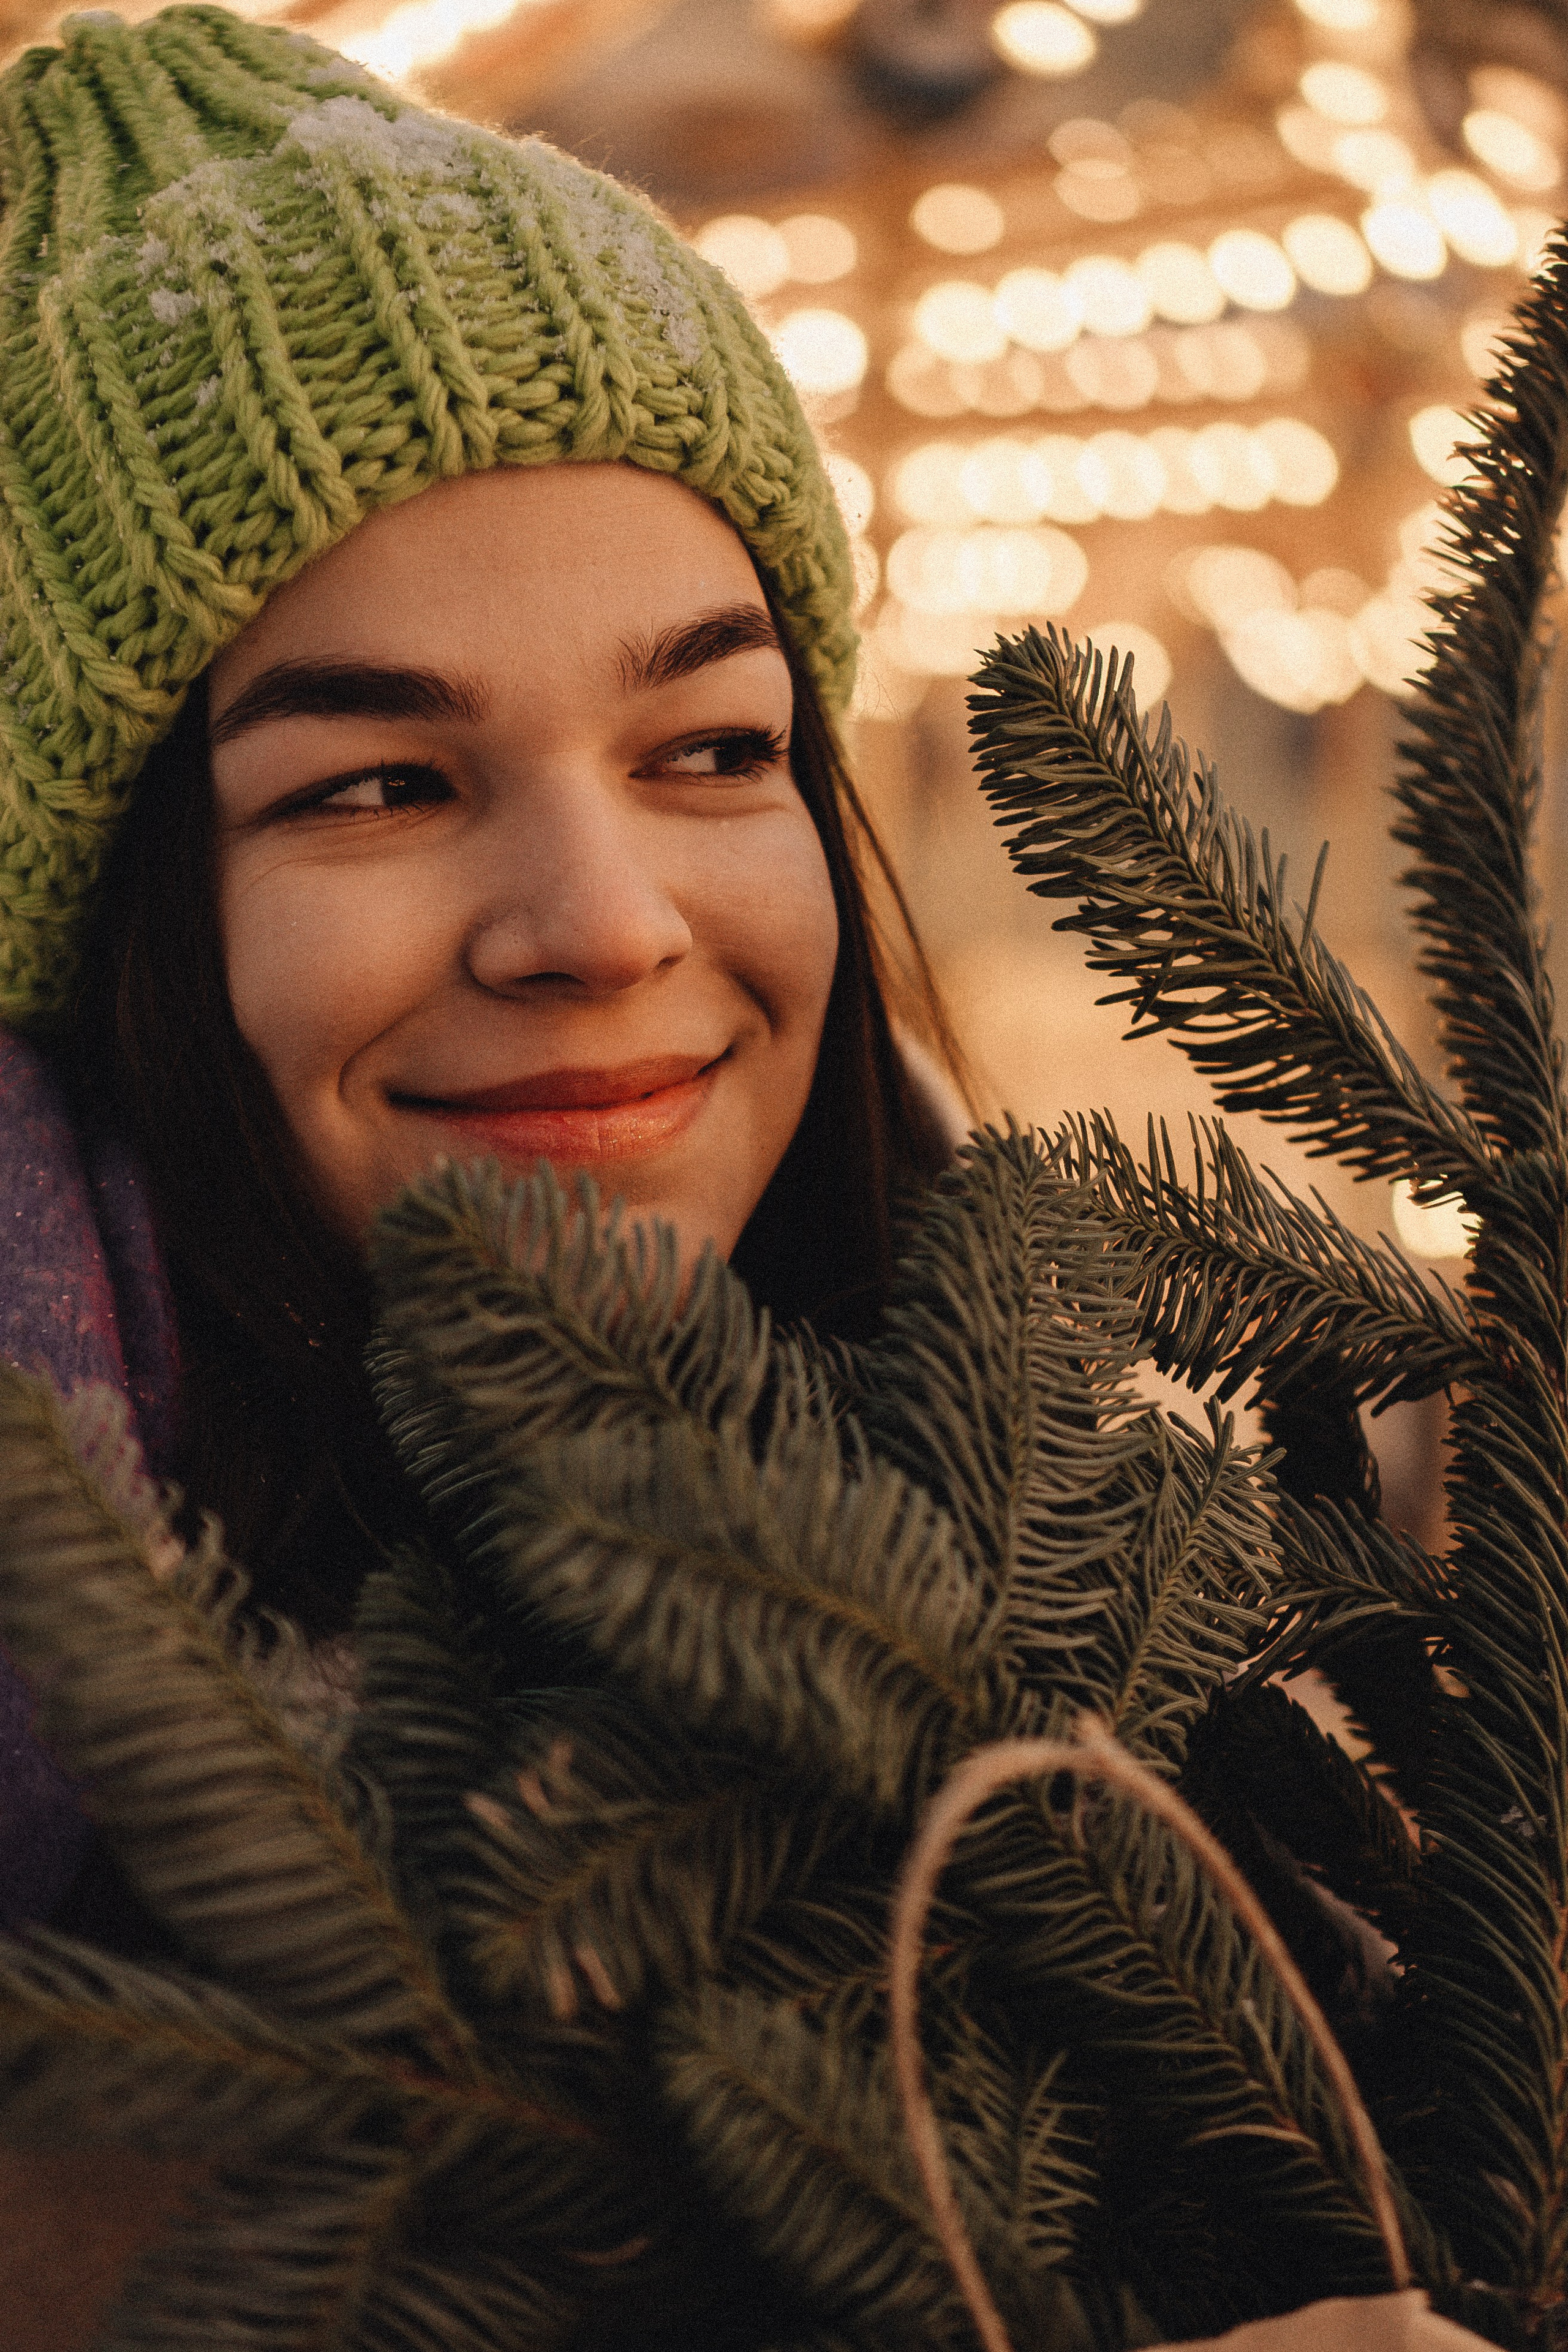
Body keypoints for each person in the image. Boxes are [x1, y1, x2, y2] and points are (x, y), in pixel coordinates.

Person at [0, 4, 967, 1943]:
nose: (607, 930)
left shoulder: (1117, 1520)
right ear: (99, 939)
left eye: (712, 748)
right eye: (376, 784)